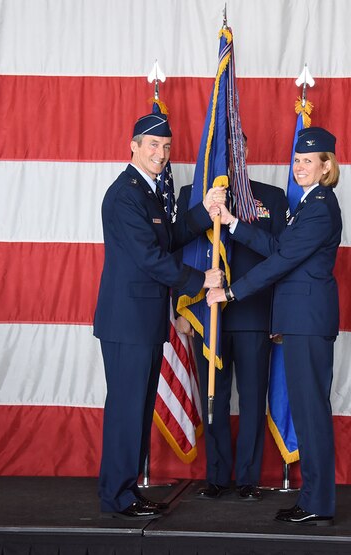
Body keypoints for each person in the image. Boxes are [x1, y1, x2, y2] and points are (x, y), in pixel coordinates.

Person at [206, 127, 342, 526]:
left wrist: (231, 294)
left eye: (308, 161)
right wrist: (232, 222)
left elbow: (281, 262)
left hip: (309, 321)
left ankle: (318, 501)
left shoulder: (320, 206)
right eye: (296, 160)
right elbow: (280, 249)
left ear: (326, 166)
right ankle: (315, 498)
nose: (299, 167)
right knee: (306, 410)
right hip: (301, 321)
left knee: (311, 412)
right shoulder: (307, 204)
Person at [94, 112, 224, 520]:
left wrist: (203, 211)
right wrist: (200, 279)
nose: (162, 153)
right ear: (133, 146)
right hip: (127, 322)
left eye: (166, 147)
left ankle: (126, 490)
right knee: (126, 411)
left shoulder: (148, 193)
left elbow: (167, 236)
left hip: (143, 321)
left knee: (137, 410)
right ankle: (117, 495)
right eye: (153, 145)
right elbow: (150, 257)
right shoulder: (124, 194)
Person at [174, 134, 288, 502]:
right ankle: (217, 476)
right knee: (214, 397)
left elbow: (281, 259)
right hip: (209, 314)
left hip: (254, 313)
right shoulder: (193, 196)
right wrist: (182, 308)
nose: (232, 156)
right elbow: (180, 252)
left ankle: (249, 478)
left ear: (246, 152)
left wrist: (278, 317)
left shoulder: (270, 197)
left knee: (253, 399)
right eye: (225, 150)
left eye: (238, 148)